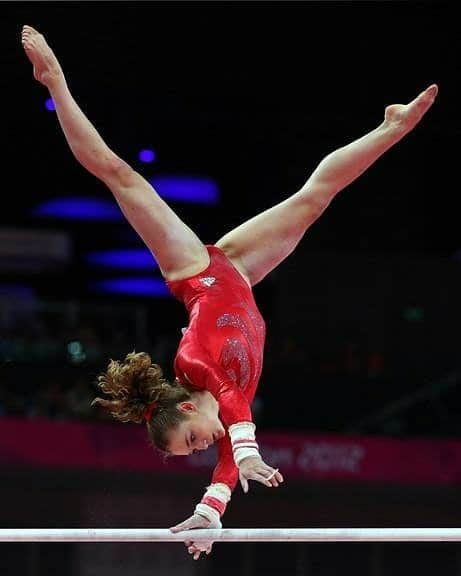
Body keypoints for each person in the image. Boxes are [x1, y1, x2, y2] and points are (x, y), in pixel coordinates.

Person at [21, 24, 438, 560]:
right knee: (315, 198)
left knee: (120, 176)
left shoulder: (195, 365)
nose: (202, 446)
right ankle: (392, 127)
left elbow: (233, 403)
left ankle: (54, 79)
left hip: (195, 272)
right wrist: (208, 512)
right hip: (239, 275)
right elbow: (228, 445)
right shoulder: (218, 414)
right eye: (198, 448)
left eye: (192, 438)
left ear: (188, 405)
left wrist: (246, 453)